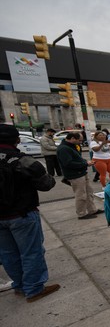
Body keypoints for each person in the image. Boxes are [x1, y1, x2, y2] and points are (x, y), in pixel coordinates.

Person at [0, 124, 60, 302]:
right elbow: (47, 183)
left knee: (8, 253)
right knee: (31, 252)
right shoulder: (21, 160)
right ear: (17, 140)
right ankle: (34, 288)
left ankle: (19, 285)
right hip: (22, 213)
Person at [56, 132, 102, 220]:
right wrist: (85, 163)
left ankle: (92, 210)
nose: (81, 142)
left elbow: (76, 158)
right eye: (79, 140)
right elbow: (68, 163)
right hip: (75, 175)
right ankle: (81, 213)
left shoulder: (71, 146)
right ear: (72, 138)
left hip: (81, 173)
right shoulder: (63, 149)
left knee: (89, 192)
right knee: (81, 195)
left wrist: (84, 162)